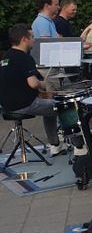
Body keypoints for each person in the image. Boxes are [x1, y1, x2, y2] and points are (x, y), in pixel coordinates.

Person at [0, 24, 62, 152]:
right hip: (25, 104)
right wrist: (43, 85)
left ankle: (55, 144)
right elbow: (33, 83)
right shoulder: (24, 57)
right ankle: (76, 145)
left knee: (49, 109)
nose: (34, 39)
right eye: (32, 37)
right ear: (24, 39)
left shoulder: (6, 56)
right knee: (61, 106)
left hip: (6, 106)